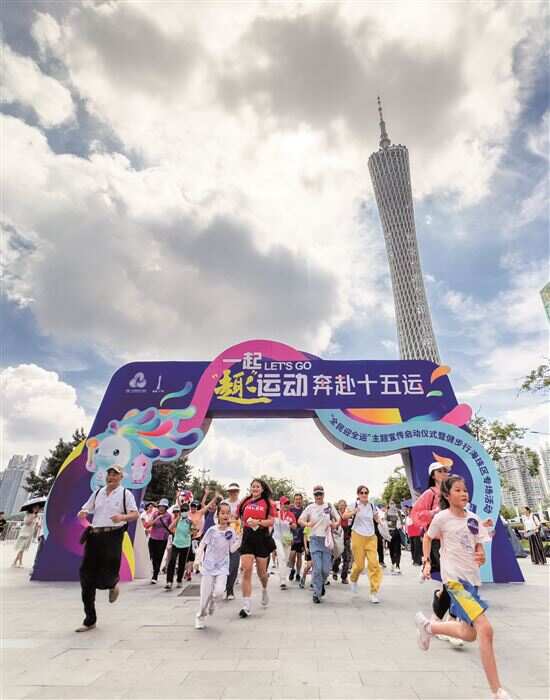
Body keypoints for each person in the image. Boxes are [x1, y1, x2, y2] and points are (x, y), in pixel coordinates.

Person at [415, 475, 511, 700]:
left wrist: (481, 555)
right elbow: (427, 538)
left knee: (469, 634)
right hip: (454, 581)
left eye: (465, 490)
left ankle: (429, 627)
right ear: (447, 495)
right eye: (457, 490)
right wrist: (426, 562)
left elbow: (479, 548)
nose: (463, 493)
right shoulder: (442, 518)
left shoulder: (473, 519)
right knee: (485, 629)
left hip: (472, 581)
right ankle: (497, 691)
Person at [76, 464, 138, 632]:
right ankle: (90, 619)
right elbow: (86, 507)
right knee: (86, 576)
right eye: (109, 474)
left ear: (121, 477)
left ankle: (112, 585)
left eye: (115, 474)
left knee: (109, 573)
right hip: (95, 536)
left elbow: (135, 514)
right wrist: (83, 512)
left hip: (113, 536)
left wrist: (122, 517)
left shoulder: (125, 494)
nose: (111, 477)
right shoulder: (98, 492)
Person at [194, 502, 241, 629]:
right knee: (204, 598)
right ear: (218, 515)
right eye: (222, 513)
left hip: (223, 567)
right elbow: (202, 545)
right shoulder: (212, 530)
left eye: (227, 513)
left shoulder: (231, 531)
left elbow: (231, 549)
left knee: (219, 592)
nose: (225, 515)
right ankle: (200, 616)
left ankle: (213, 602)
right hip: (209, 567)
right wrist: (197, 560)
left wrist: (240, 540)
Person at [238, 478, 276, 618]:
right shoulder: (245, 501)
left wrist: (258, 522)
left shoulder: (267, 503)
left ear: (262, 489)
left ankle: (264, 588)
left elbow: (271, 521)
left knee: (261, 573)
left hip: (261, 537)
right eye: (253, 486)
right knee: (246, 570)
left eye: (257, 486)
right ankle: (246, 606)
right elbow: (238, 517)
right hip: (247, 536)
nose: (255, 489)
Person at [298, 485, 340, 604]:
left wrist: (335, 524)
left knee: (325, 570)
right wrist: (307, 524)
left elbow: (338, 519)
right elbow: (300, 520)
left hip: (326, 540)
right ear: (314, 495)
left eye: (320, 494)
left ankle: (321, 585)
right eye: (316, 494)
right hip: (314, 540)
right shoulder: (310, 507)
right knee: (317, 568)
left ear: (323, 494)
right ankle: (316, 593)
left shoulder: (329, 506)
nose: (318, 496)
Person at [344, 485, 382, 603]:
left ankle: (374, 592)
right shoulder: (354, 505)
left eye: (366, 493)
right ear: (358, 494)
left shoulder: (372, 505)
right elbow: (344, 516)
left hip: (371, 537)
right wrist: (353, 512)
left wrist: (381, 522)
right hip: (357, 536)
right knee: (360, 566)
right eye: (362, 493)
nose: (364, 494)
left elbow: (376, 517)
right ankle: (353, 578)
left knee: (374, 564)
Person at [144, 498, 173, 583]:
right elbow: (147, 525)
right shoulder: (155, 514)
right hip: (153, 538)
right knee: (152, 556)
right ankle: (154, 570)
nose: (161, 508)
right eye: (160, 506)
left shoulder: (168, 516)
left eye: (163, 506)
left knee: (159, 557)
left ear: (166, 507)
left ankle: (155, 575)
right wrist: (156, 518)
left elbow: (170, 527)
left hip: (162, 539)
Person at [273, 496, 297, 590]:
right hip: (277, 537)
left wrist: (290, 524)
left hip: (287, 537)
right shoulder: (276, 513)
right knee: (282, 556)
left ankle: (283, 578)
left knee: (285, 560)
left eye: (288, 503)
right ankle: (282, 580)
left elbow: (295, 526)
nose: (286, 505)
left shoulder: (291, 514)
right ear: (281, 504)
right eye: (284, 503)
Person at [165, 504, 191, 590]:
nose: (184, 512)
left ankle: (179, 580)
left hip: (185, 544)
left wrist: (192, 529)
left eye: (185, 510)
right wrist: (177, 518)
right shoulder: (177, 519)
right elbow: (169, 527)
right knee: (172, 561)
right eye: (182, 510)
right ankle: (169, 581)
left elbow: (194, 531)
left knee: (182, 563)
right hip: (176, 543)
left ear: (188, 511)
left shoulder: (190, 520)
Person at [223, 482, 242, 600]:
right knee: (224, 564)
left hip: (237, 538)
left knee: (234, 565)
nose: (233, 493)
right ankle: (223, 586)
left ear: (238, 492)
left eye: (235, 491)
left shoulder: (241, 504)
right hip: (223, 538)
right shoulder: (223, 503)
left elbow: (244, 519)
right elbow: (216, 518)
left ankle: (230, 590)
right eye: (231, 491)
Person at [332, 499, 351, 584]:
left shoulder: (348, 515)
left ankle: (344, 577)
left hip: (346, 538)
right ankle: (335, 571)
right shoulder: (335, 515)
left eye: (344, 505)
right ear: (338, 506)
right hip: (338, 538)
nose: (342, 506)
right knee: (337, 557)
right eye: (340, 505)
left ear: (346, 506)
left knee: (347, 558)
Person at [288, 493, 305, 583]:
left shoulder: (304, 510)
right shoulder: (291, 510)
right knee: (292, 554)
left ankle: (298, 574)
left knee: (299, 556)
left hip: (301, 536)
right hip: (292, 536)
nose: (298, 501)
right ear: (294, 500)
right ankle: (292, 569)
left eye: (299, 499)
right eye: (296, 499)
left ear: (302, 500)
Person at [386, 501, 403, 574]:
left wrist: (398, 522)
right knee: (391, 550)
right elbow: (385, 522)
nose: (392, 505)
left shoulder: (398, 512)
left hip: (397, 532)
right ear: (389, 505)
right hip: (389, 533)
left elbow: (401, 522)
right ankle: (393, 563)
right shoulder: (387, 513)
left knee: (397, 550)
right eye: (391, 504)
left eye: (393, 503)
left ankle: (397, 566)